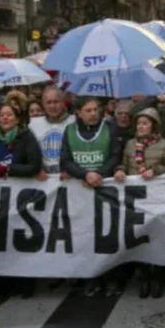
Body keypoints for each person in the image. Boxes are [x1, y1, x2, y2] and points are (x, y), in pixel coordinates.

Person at [60, 96, 123, 296]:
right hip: (81, 191)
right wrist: (84, 175)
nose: (93, 113)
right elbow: (65, 160)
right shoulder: (69, 131)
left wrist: (99, 175)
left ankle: (111, 278)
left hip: (105, 189)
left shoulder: (109, 128)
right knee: (84, 237)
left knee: (108, 236)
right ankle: (90, 277)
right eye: (88, 110)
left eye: (96, 109)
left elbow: (115, 155)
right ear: (78, 112)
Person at [114, 108, 165, 298]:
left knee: (157, 235)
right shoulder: (129, 145)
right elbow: (124, 164)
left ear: (154, 126)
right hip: (135, 199)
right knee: (139, 236)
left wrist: (156, 170)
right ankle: (144, 276)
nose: (141, 127)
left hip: (157, 198)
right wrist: (119, 171)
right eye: (139, 124)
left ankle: (157, 276)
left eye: (145, 123)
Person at [0, 100, 44, 298]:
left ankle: (25, 284)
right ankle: (4, 284)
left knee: (21, 239)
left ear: (18, 119)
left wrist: (10, 169)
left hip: (22, 197)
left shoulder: (26, 137)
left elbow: (34, 165)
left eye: (9, 115)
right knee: (1, 240)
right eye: (2, 115)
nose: (5, 118)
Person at [29, 86, 73, 176]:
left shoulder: (75, 122)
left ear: (63, 103)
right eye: (48, 102)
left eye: (56, 102)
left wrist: (72, 170)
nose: (52, 106)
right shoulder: (33, 125)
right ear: (43, 105)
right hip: (43, 179)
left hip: (69, 177)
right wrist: (36, 171)